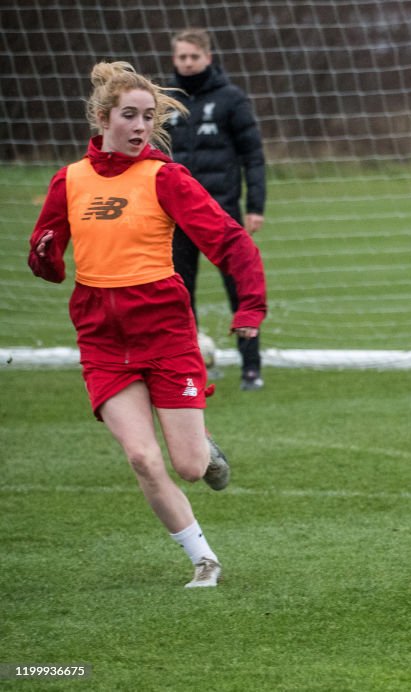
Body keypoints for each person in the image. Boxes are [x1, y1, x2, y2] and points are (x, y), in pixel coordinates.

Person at [28, 61, 267, 588]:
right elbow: (49, 265)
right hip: (102, 338)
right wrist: (43, 255)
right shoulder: (69, 181)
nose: (139, 126)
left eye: (148, 117)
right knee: (140, 456)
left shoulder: (166, 177)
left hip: (165, 334)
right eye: (129, 115)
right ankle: (204, 559)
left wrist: (250, 308)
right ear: (102, 117)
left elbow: (231, 242)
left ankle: (205, 448)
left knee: (187, 465)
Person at [167, 28, 267, 390]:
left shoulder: (231, 99)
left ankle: (251, 368)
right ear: (174, 59)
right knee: (178, 293)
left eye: (194, 57)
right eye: (182, 57)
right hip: (174, 217)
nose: (188, 63)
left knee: (240, 289)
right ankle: (188, 370)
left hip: (221, 212)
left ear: (208, 58)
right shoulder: (163, 100)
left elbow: (253, 155)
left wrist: (255, 205)